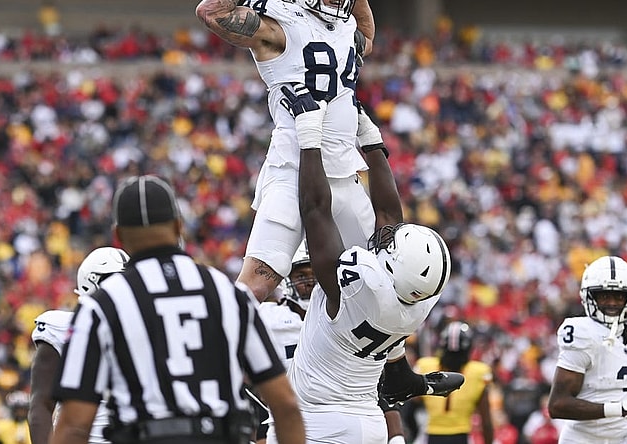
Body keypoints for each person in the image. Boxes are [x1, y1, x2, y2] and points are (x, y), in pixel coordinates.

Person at [267, 84, 464, 444]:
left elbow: (315, 209)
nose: (386, 238)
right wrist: (372, 141)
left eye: (391, 246)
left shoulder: (357, 288)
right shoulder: (417, 300)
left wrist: (309, 137)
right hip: (369, 421)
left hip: (318, 423)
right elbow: (388, 215)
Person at [50, 175, 305, 444]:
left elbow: (74, 425)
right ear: (178, 226)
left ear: (118, 236)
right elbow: (285, 404)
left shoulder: (101, 306)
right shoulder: (228, 294)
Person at [195, 0, 379, 305]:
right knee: (253, 288)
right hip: (293, 171)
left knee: (373, 289)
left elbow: (367, 37)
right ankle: (216, 347)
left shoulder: (346, 27)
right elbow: (211, 12)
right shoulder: (280, 23)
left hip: (345, 175)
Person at [252, 242, 406, 444]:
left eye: (314, 274)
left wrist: (396, 435)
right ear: (287, 280)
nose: (310, 282)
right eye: (301, 276)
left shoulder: (346, 314)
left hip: (339, 411)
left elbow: (376, 384)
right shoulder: (269, 317)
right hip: (283, 416)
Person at [547, 255, 627, 444]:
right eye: (604, 296)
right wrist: (620, 409)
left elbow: (624, 396)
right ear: (588, 296)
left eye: (619, 296)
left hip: (624, 438)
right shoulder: (581, 332)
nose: (612, 303)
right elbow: (557, 405)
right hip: (583, 440)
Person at [29, 246, 129, 444]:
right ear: (90, 282)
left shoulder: (143, 329)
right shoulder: (62, 327)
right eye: (116, 280)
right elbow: (41, 404)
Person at [415, 321, 495, 444]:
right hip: (461, 437)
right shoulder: (479, 372)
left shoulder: (425, 366)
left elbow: (411, 403)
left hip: (430, 436)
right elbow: (486, 421)